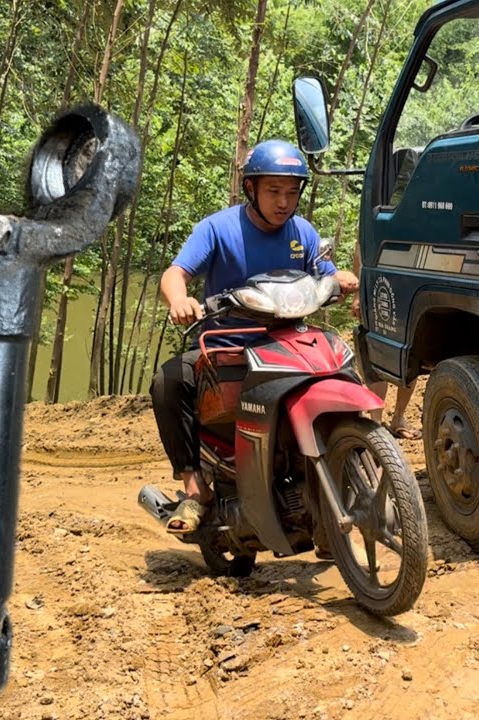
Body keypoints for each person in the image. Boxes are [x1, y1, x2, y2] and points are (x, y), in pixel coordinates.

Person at [150, 139, 359, 534]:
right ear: (251, 189)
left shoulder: (303, 232)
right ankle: (195, 489)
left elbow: (324, 271)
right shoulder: (217, 228)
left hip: (290, 346)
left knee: (343, 371)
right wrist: (179, 300)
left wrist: (342, 279)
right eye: (274, 191)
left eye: (292, 192)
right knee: (169, 380)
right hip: (229, 349)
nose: (284, 202)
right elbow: (175, 274)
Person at [350, 243, 418, 440]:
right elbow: (361, 246)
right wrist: (357, 293)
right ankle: (376, 424)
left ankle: (399, 418)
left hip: (408, 288)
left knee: (411, 355)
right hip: (376, 287)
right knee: (373, 353)